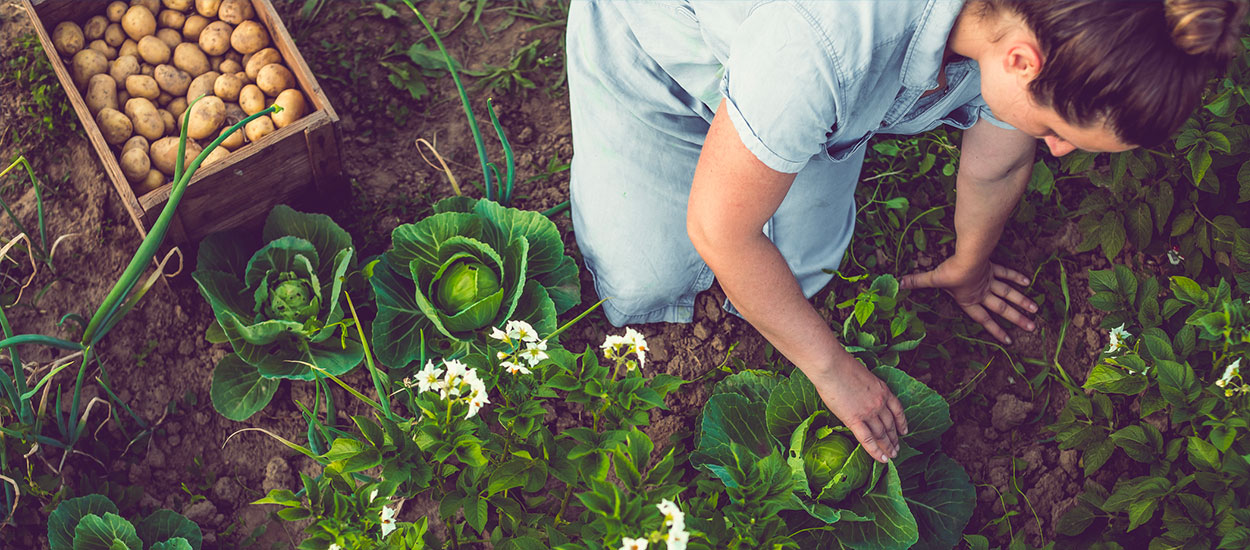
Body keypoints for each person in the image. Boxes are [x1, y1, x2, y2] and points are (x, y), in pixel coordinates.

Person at [565, 0, 1247, 464]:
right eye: (1057, 133)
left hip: (806, 104)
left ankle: (774, 151)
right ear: (1021, 61)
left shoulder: (1039, 23)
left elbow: (999, 154)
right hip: (664, 62)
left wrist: (970, 263)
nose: (1058, 154)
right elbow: (720, 232)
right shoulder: (825, 42)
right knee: (643, 286)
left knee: (799, 281)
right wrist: (834, 372)